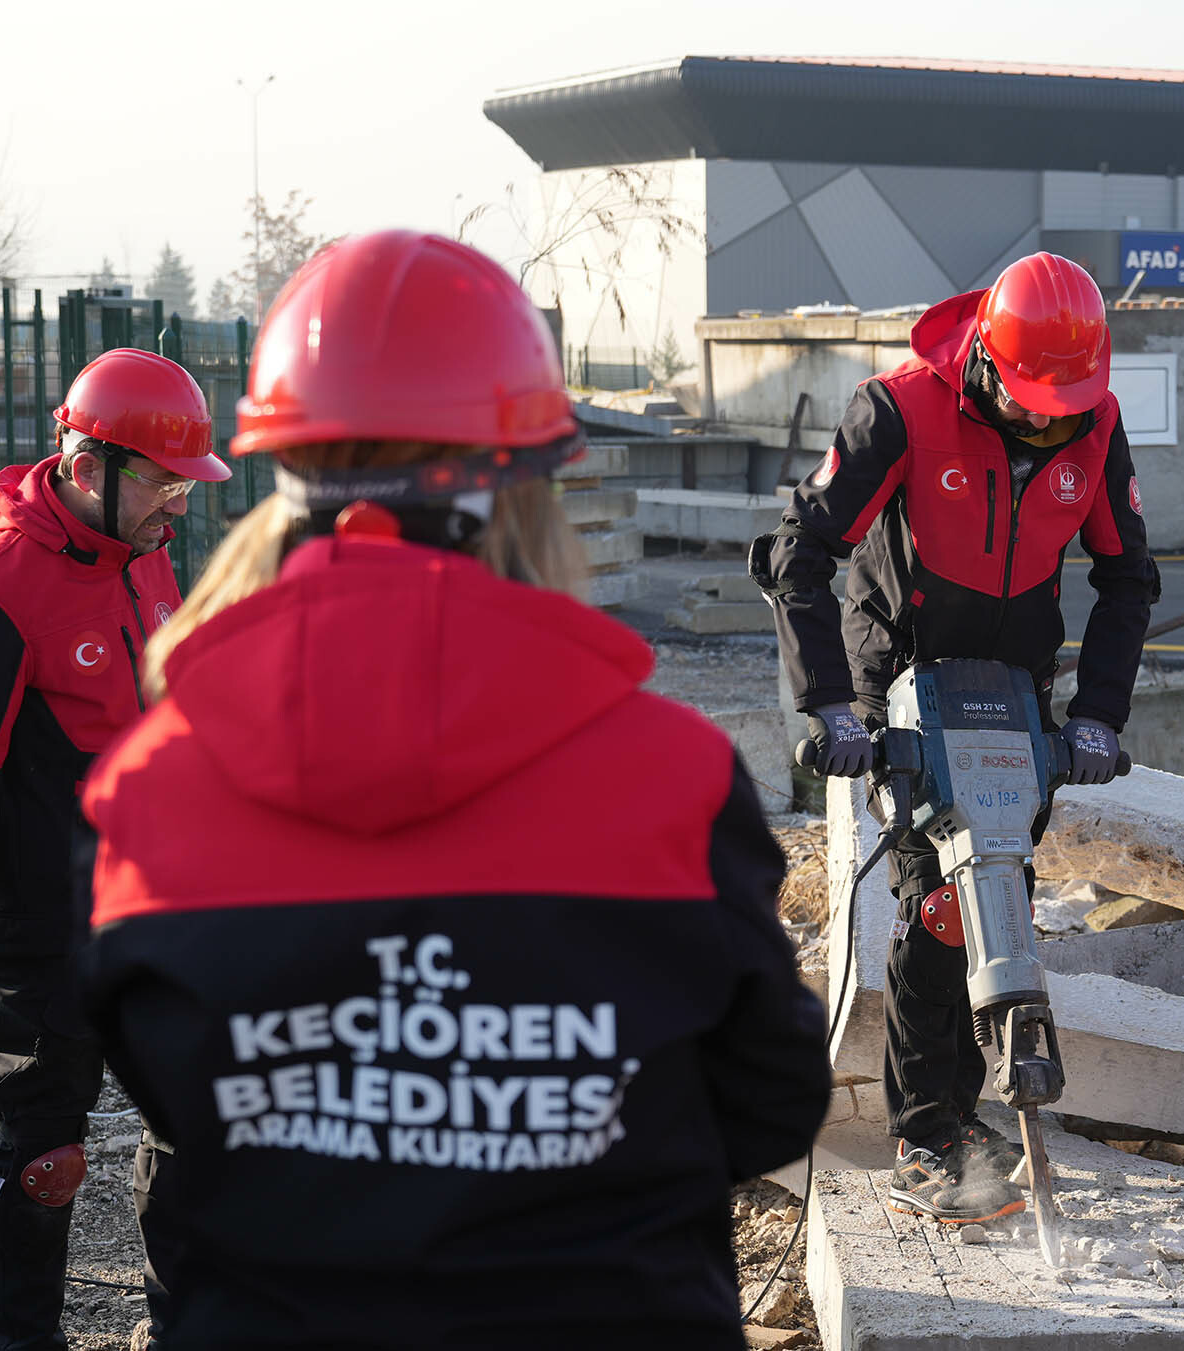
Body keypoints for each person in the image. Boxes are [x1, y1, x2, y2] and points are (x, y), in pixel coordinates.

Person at [74, 230, 829, 1349]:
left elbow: (169, 1095)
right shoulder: (671, 779)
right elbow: (772, 1101)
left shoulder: (148, 792)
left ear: (283, 476)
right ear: (516, 489)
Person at [752, 251, 1157, 1224]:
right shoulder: (900, 410)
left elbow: (1127, 576)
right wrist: (831, 706)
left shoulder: (1092, 426)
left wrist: (1098, 714)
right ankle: (925, 1131)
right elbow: (800, 552)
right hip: (903, 681)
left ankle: (969, 1113)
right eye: (1033, 406)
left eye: (1066, 409)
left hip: (1019, 693)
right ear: (987, 361)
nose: (1048, 425)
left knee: (1003, 895)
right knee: (936, 904)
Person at [0, 346, 228, 1350]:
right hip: (48, 935)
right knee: (45, 1153)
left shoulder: (146, 561)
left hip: (160, 919)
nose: (180, 507)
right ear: (90, 464)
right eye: (164, 481)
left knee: (195, 1129)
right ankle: (26, 1338)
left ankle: (182, 1328)